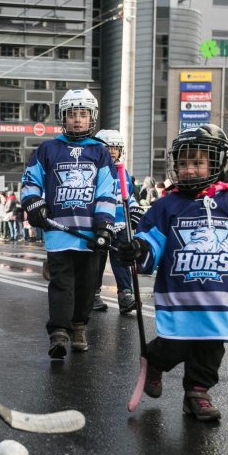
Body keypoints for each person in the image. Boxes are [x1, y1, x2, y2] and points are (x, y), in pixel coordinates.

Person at [117, 124, 228, 421]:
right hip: (179, 296)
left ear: (216, 163)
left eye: (197, 162)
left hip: (219, 298)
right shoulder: (166, 207)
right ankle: (155, 360)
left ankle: (198, 393)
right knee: (175, 344)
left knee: (210, 349)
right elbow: (150, 242)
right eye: (183, 163)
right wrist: (138, 249)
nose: (189, 170)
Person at [21, 88, 117, 358]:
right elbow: (30, 181)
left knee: (87, 285)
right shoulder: (48, 149)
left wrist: (104, 225)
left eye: (83, 115)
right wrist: (34, 204)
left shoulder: (100, 153)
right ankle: (59, 332)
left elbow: (107, 191)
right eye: (72, 114)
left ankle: (78, 326)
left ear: (92, 118)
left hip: (89, 234)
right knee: (61, 282)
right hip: (58, 232)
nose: (77, 119)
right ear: (63, 117)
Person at [92, 129, 142, 315]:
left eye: (116, 147)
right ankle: (93, 294)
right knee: (97, 260)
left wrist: (136, 209)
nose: (112, 151)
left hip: (120, 222)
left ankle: (125, 295)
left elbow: (128, 196)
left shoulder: (123, 172)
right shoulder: (95, 170)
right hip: (100, 222)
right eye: (108, 147)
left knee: (122, 258)